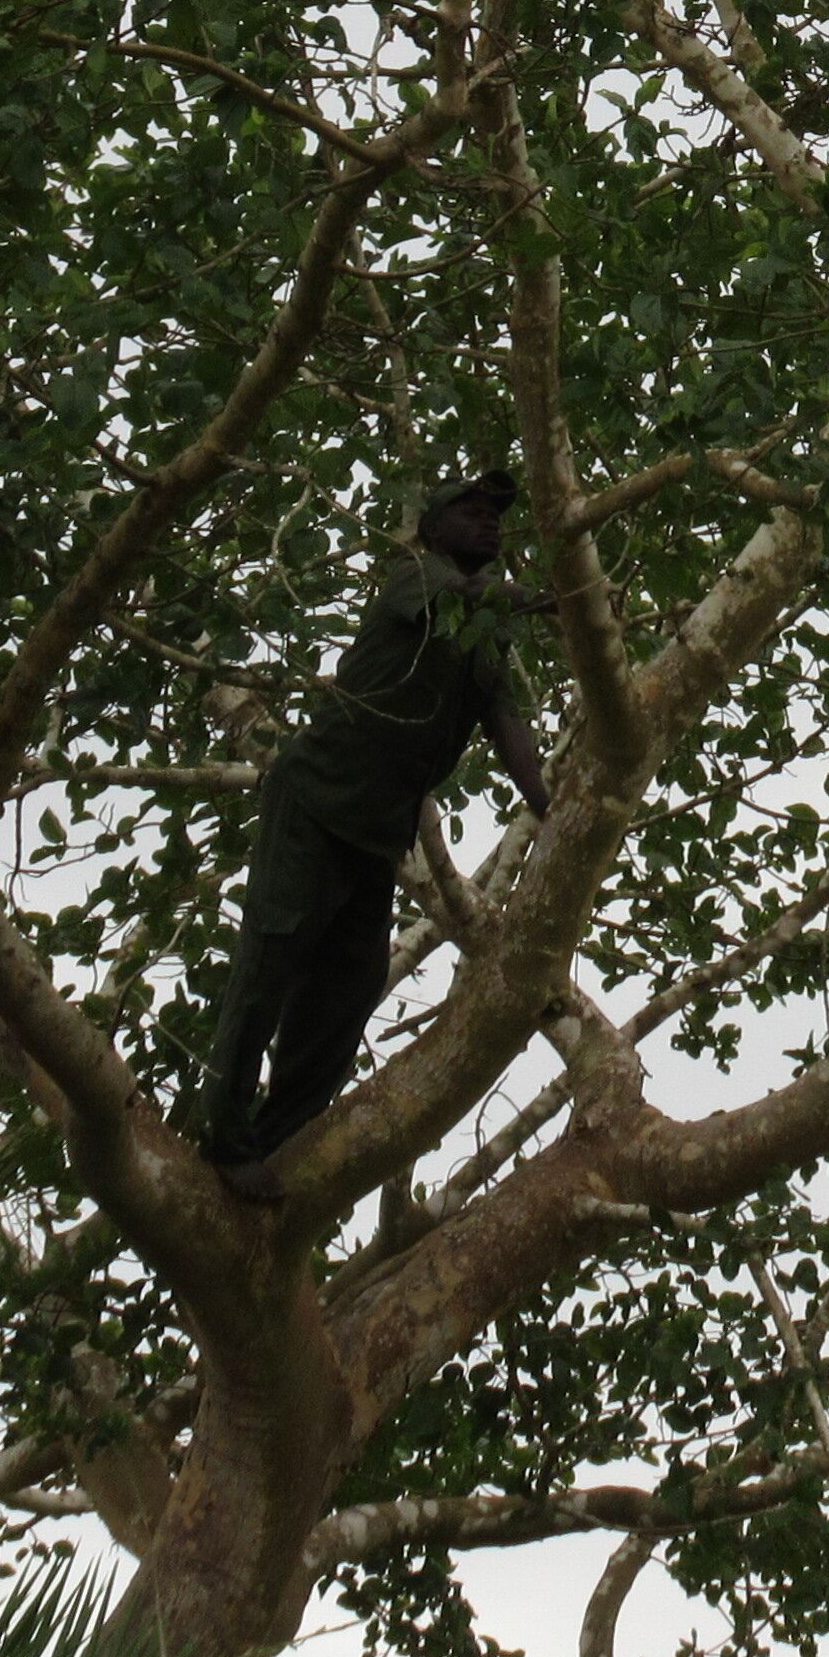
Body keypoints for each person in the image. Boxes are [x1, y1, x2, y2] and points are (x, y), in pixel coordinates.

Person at [202, 468, 550, 1200]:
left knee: (348, 993)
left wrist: (551, 805)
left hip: (375, 837)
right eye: (471, 509)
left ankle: (271, 1144)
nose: (489, 522)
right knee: (270, 964)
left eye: (497, 514)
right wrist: (533, 597)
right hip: (316, 805)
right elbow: (468, 594)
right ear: (431, 526)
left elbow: (510, 728)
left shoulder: (484, 641)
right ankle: (222, 1138)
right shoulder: (415, 576)